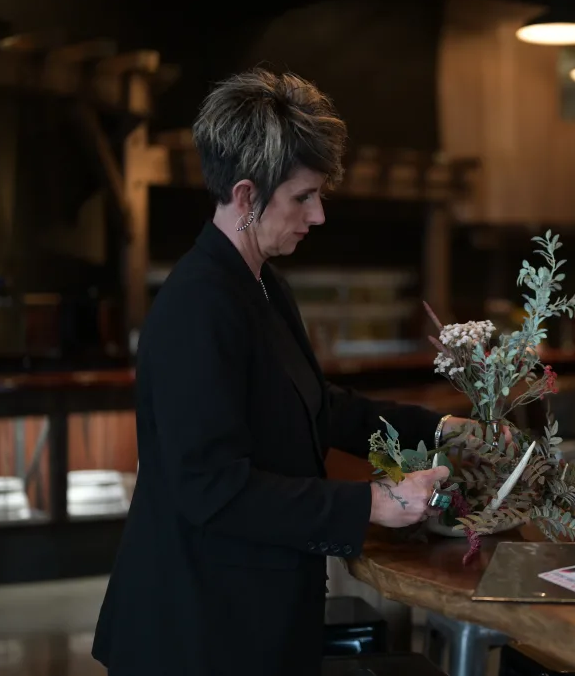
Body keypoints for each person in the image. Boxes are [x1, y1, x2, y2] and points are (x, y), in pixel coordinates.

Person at [91, 68, 471, 676]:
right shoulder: (199, 306)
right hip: (195, 632)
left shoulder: (261, 286)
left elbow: (318, 405)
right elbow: (212, 487)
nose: (318, 215)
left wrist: (440, 430)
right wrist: (370, 502)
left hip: (246, 613)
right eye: (303, 197)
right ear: (246, 196)